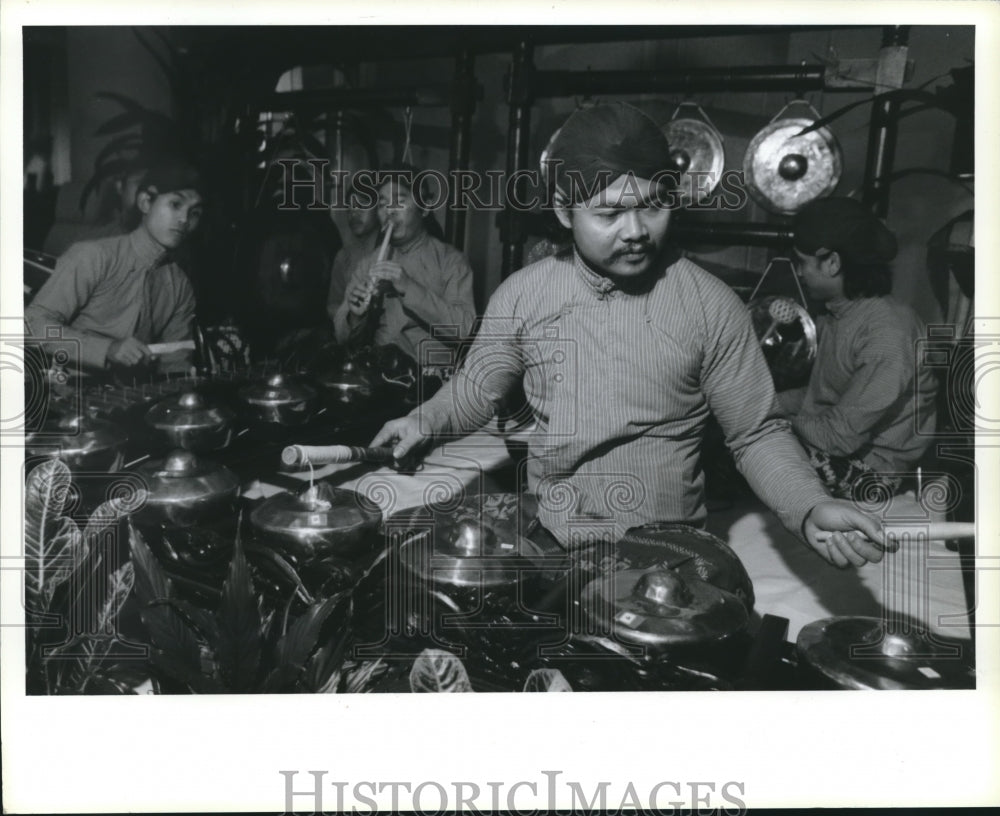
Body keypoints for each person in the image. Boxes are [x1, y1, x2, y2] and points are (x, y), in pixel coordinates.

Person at [370, 103, 887, 569]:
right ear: (563, 211)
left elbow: (756, 433)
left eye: (653, 205)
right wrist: (425, 418)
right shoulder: (524, 294)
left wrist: (809, 504)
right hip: (554, 535)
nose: (637, 230)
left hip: (663, 549)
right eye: (611, 213)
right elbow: (478, 387)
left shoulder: (709, 304)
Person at [785, 197, 938, 499]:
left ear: (833, 262)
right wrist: (757, 402)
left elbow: (838, 437)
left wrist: (771, 420)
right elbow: (818, 398)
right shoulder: (836, 314)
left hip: (871, 473)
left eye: (802, 263)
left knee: (753, 446)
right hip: (832, 445)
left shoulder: (888, 332)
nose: (799, 273)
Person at [25, 158, 204, 377]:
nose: (184, 219)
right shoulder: (94, 256)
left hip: (131, 397)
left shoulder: (180, 284)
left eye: (194, 213)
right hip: (67, 389)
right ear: (145, 202)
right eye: (175, 204)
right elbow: (31, 326)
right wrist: (106, 349)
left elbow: (176, 361)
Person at [332, 167, 476, 363]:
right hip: (379, 374)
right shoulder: (369, 263)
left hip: (432, 381)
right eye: (382, 204)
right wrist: (354, 317)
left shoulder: (451, 261)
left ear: (424, 208)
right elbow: (341, 337)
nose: (389, 211)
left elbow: (466, 330)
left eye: (399, 202)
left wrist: (409, 287)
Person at [326, 182, 382, 324]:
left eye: (362, 205)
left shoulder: (394, 252)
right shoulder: (343, 256)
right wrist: (349, 319)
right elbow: (333, 305)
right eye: (349, 208)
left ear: (379, 208)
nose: (354, 213)